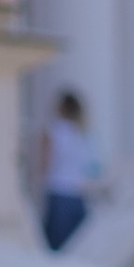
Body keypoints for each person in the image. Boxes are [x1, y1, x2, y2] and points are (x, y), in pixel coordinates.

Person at [39, 88, 98, 252]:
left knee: (55, 251)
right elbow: (91, 167)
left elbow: (44, 163)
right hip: (78, 196)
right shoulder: (83, 133)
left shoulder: (54, 130)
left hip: (58, 192)